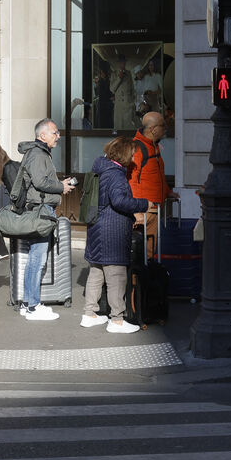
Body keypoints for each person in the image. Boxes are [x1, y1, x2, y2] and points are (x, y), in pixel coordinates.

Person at [81, 136, 149, 333]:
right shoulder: (116, 175)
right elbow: (119, 201)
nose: (134, 158)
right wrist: (143, 204)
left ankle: (90, 314)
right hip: (112, 231)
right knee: (116, 276)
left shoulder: (101, 169)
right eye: (133, 154)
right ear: (125, 154)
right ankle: (117, 320)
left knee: (96, 271)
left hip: (97, 228)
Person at [16, 118, 75, 321]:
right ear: (42, 135)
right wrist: (61, 187)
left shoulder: (38, 153)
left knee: (35, 258)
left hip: (39, 209)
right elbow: (40, 182)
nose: (58, 136)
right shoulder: (38, 154)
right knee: (37, 259)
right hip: (41, 210)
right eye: (55, 133)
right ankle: (32, 306)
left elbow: (39, 181)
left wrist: (59, 183)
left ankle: (27, 304)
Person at [129, 111, 178, 259]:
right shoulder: (137, 149)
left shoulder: (153, 146)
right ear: (153, 129)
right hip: (142, 211)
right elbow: (128, 181)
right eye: (163, 125)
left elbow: (157, 175)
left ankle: (144, 281)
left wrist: (167, 192)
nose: (166, 129)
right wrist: (134, 211)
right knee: (137, 253)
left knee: (148, 254)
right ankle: (135, 282)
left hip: (153, 209)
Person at [110, 55, 136, 131]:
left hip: (128, 105)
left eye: (124, 62)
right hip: (119, 107)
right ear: (118, 63)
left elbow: (132, 89)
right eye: (121, 62)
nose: (123, 64)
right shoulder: (114, 74)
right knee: (118, 127)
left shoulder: (128, 73)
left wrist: (132, 102)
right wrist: (119, 78)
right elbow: (112, 89)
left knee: (127, 128)